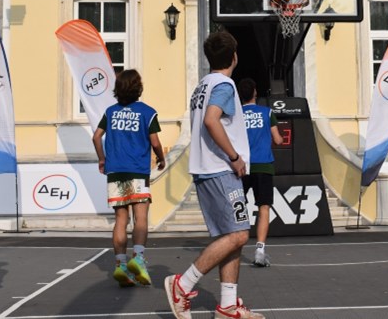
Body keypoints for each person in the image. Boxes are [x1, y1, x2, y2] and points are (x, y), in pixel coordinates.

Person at [164, 31, 263, 319]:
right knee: (240, 234)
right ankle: (183, 285)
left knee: (231, 234)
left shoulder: (202, 85)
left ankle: (228, 305)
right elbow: (211, 120)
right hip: (220, 168)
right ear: (234, 57)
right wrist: (233, 156)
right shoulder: (224, 85)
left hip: (207, 168)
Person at [92, 69, 166, 287]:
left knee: (120, 220)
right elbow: (154, 142)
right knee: (140, 216)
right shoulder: (147, 112)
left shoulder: (110, 112)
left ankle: (120, 265)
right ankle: (139, 260)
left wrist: (102, 159)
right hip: (137, 170)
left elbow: (96, 137)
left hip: (115, 171)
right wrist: (161, 158)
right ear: (138, 87)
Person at [236, 78, 282, 267]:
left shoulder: (235, 115)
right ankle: (260, 251)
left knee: (239, 208)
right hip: (263, 165)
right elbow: (279, 140)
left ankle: (234, 246)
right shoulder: (267, 112)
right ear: (255, 93)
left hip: (242, 166)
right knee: (263, 207)